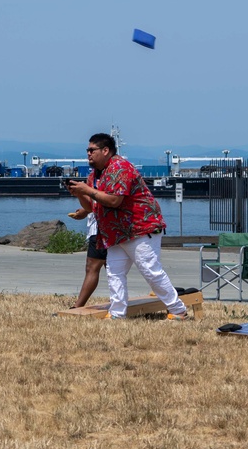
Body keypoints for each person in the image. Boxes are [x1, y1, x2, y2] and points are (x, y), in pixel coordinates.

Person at [66, 133, 190, 320]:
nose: (88, 154)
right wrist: (79, 193)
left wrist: (87, 190)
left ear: (105, 150)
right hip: (116, 233)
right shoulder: (94, 176)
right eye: (87, 151)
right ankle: (117, 313)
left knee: (150, 270)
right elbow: (93, 206)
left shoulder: (120, 167)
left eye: (92, 150)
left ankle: (178, 310)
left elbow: (115, 200)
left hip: (140, 229)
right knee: (114, 272)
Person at [66, 204, 107, 308]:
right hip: (108, 227)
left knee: (92, 267)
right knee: (113, 268)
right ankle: (119, 301)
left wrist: (85, 210)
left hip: (101, 228)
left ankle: (78, 306)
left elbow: (104, 198)